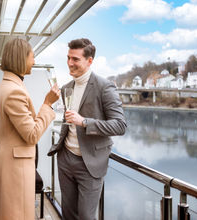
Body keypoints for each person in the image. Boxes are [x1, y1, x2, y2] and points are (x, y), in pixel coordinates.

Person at [0, 38, 60, 219]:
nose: (34, 61)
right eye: (32, 57)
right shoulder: (14, 91)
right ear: (20, 58)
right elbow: (31, 135)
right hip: (14, 170)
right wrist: (47, 104)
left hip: (11, 165)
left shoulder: (10, 85)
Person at [48, 38, 127, 220]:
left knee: (85, 217)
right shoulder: (67, 87)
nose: (69, 63)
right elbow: (68, 122)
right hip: (65, 159)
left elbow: (120, 125)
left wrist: (84, 122)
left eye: (75, 59)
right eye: (68, 57)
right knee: (68, 214)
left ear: (89, 61)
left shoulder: (105, 87)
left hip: (90, 164)